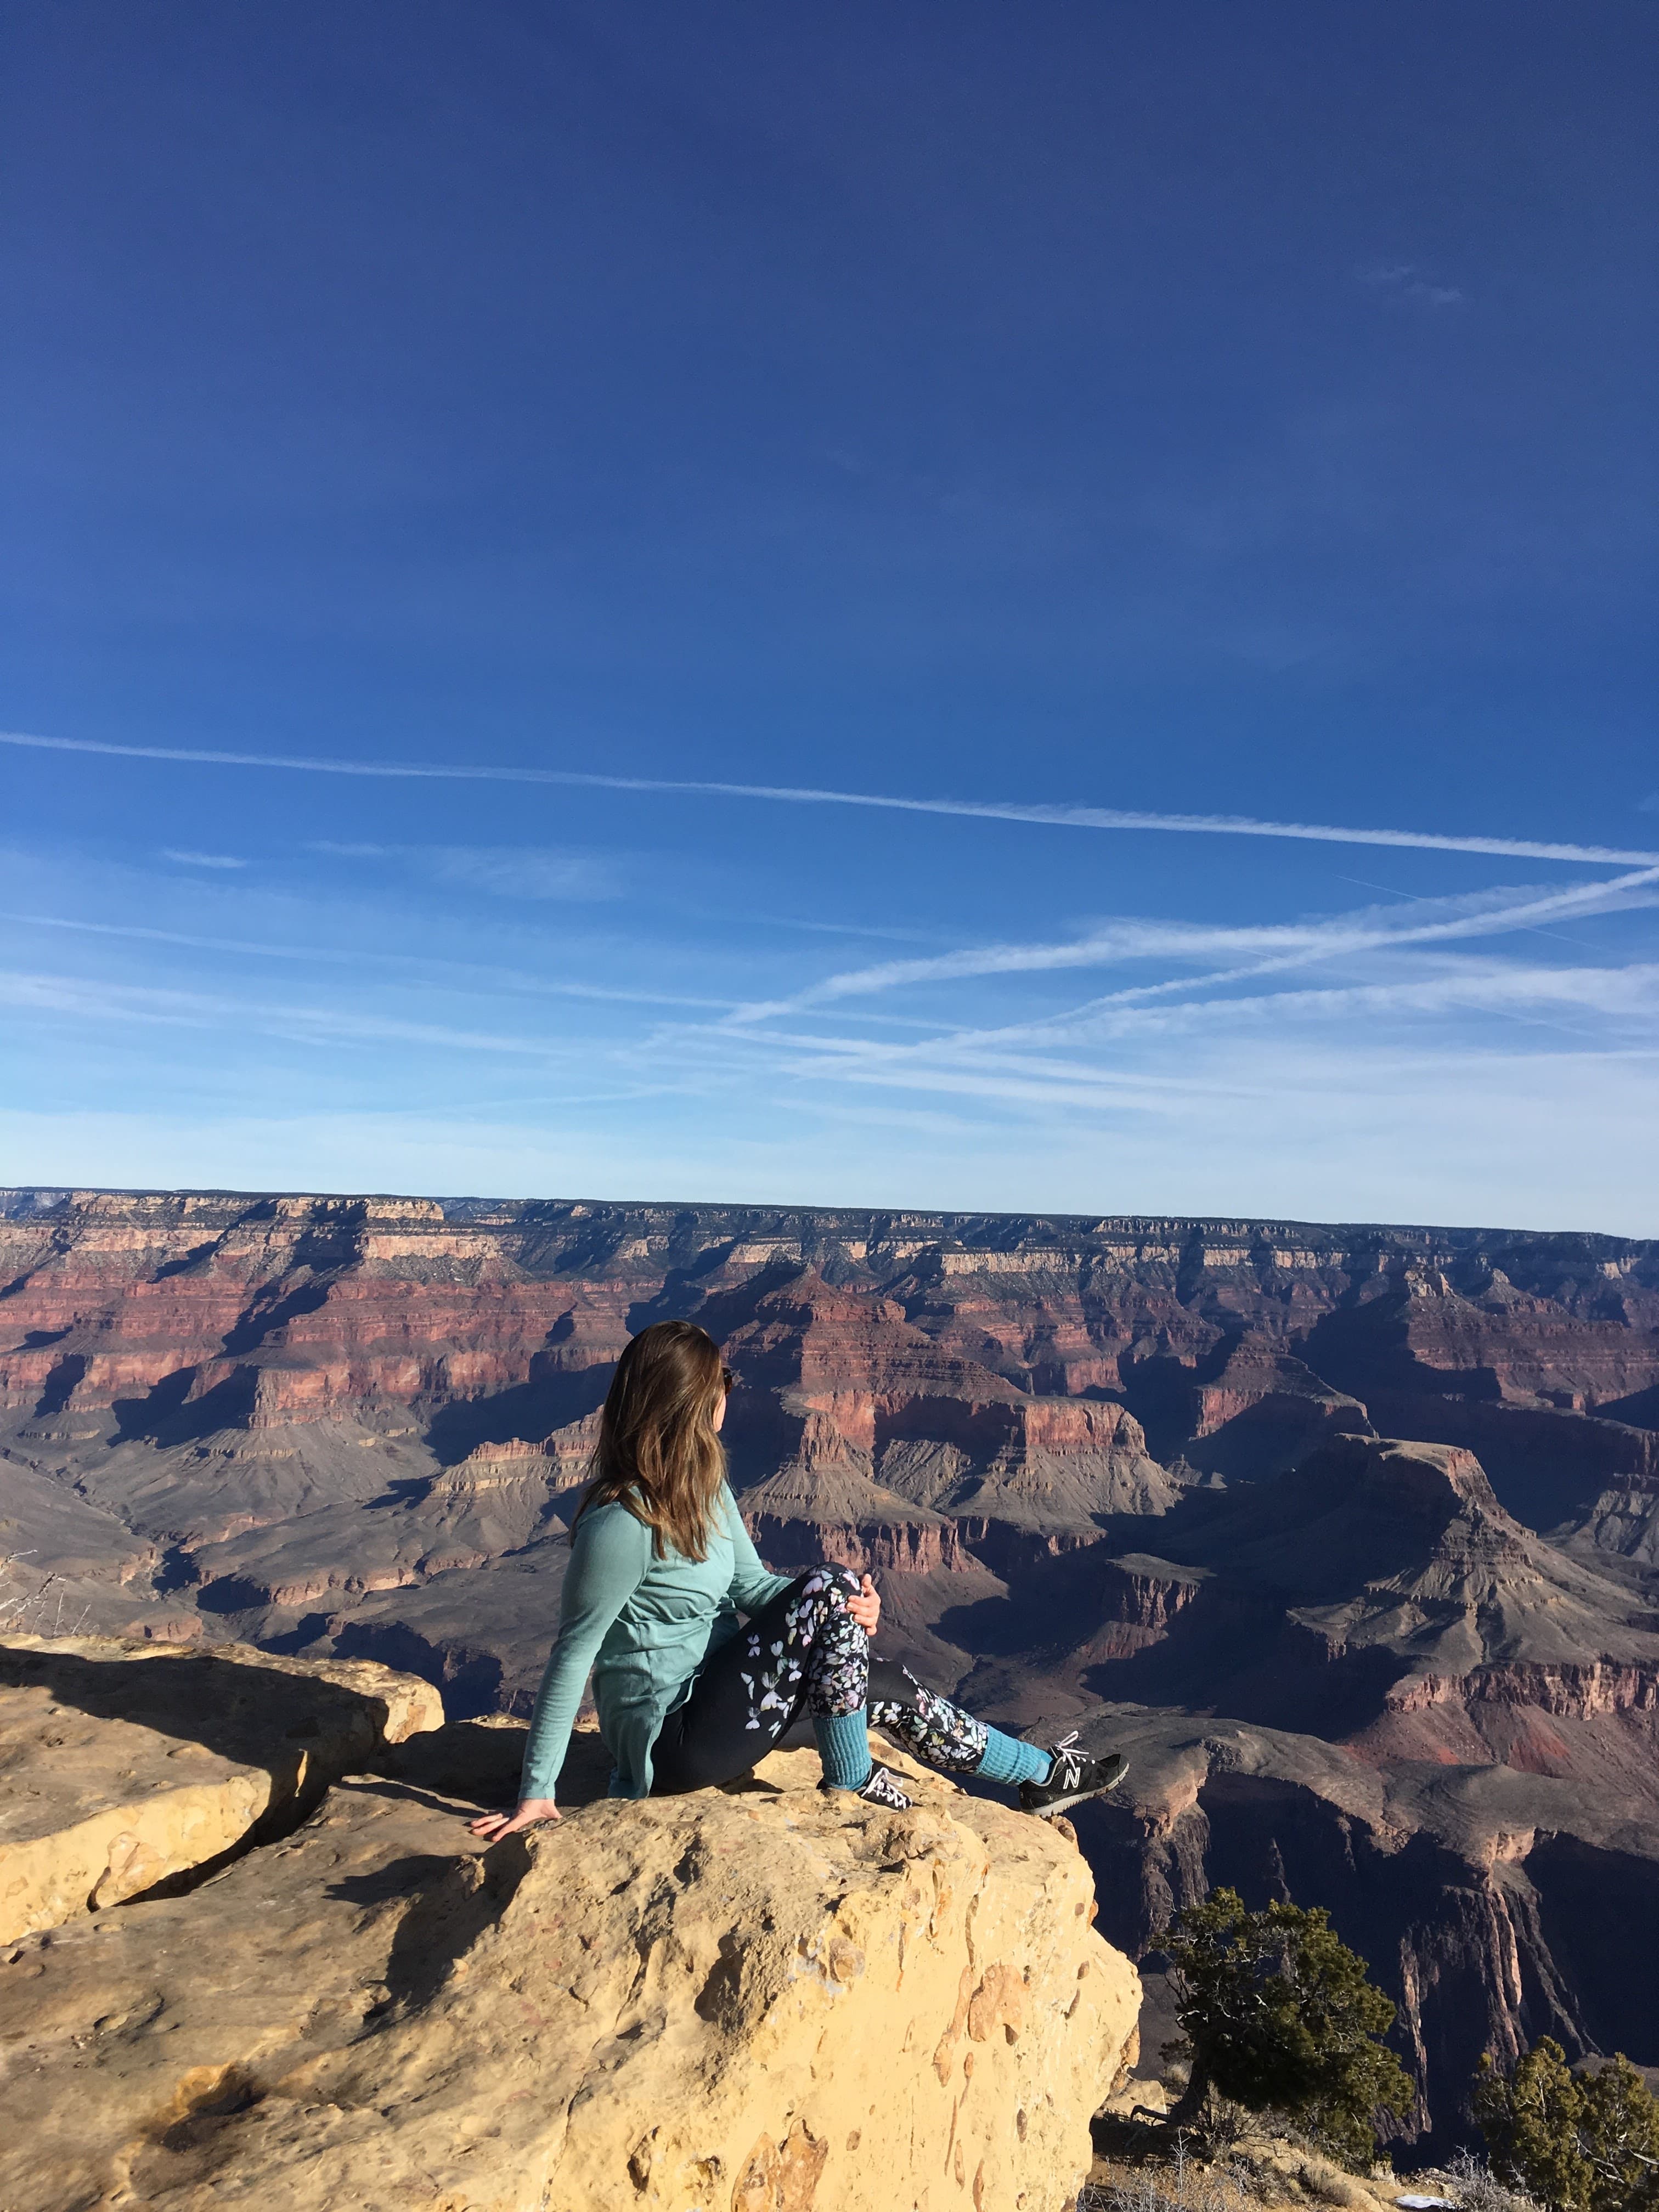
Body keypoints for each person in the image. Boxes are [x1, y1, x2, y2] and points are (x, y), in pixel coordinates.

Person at [469, 1319, 1128, 1839]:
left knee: (881, 1679)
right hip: (673, 1740)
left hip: (725, 1703)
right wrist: (537, 1793)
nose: (731, 1388)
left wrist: (845, 1612)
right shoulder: (622, 1521)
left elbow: (752, 1589)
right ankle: (850, 1777)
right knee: (829, 1583)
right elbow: (573, 1653)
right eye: (720, 1379)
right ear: (689, 1401)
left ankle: (1041, 1776)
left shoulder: (703, 1486)